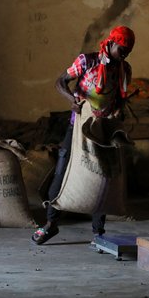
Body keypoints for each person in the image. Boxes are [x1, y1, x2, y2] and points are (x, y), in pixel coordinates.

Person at [32, 25, 135, 244]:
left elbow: (117, 98)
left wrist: (119, 109)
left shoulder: (124, 69)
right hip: (77, 126)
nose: (125, 54)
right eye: (122, 49)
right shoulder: (88, 61)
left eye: (129, 50)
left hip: (102, 128)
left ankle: (98, 233)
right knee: (63, 169)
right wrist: (72, 101)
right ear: (111, 43)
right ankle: (50, 224)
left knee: (102, 176)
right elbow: (60, 81)